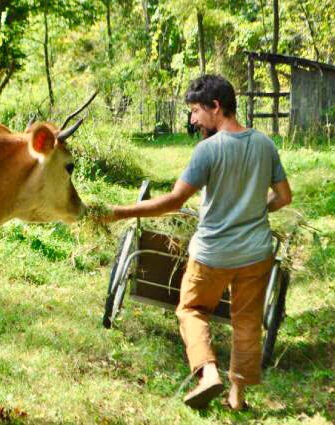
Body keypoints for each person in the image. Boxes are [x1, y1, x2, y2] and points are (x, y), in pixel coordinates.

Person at [102, 74, 292, 410]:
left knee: (191, 309)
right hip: (256, 254)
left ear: (216, 107)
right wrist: (258, 209)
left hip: (213, 254)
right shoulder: (265, 145)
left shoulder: (208, 150)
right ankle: (237, 396)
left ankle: (207, 374)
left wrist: (119, 212)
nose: (192, 119)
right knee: (246, 321)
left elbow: (172, 203)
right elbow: (284, 197)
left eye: (195, 111)